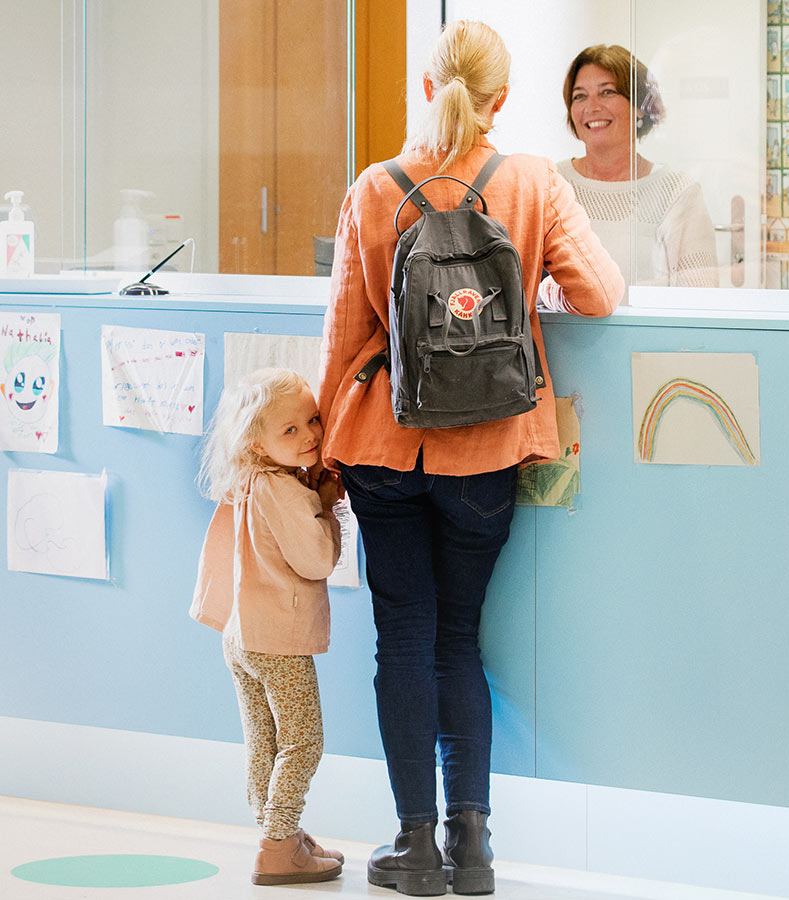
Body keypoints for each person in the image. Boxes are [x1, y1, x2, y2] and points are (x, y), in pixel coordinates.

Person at [317, 20, 623, 896]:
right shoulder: (531, 184)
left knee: (403, 639)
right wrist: (530, 287)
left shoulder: (375, 189)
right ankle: (475, 848)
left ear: (426, 89)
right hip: (490, 449)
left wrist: (328, 454)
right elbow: (600, 295)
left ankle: (413, 848)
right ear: (503, 98)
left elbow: (345, 340)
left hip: (385, 446)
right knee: (460, 640)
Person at [191, 368, 345, 886]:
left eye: (312, 421)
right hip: (278, 638)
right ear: (256, 443)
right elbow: (317, 560)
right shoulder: (287, 493)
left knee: (263, 739)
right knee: (303, 741)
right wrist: (327, 509)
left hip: (240, 635)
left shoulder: (248, 482)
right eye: (290, 431)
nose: (310, 436)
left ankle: (275, 830)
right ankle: (279, 845)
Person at [557, 44, 719, 290]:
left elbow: (700, 292)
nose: (592, 107)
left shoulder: (677, 192)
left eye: (607, 92)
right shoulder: (551, 184)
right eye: (580, 96)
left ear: (641, 108)